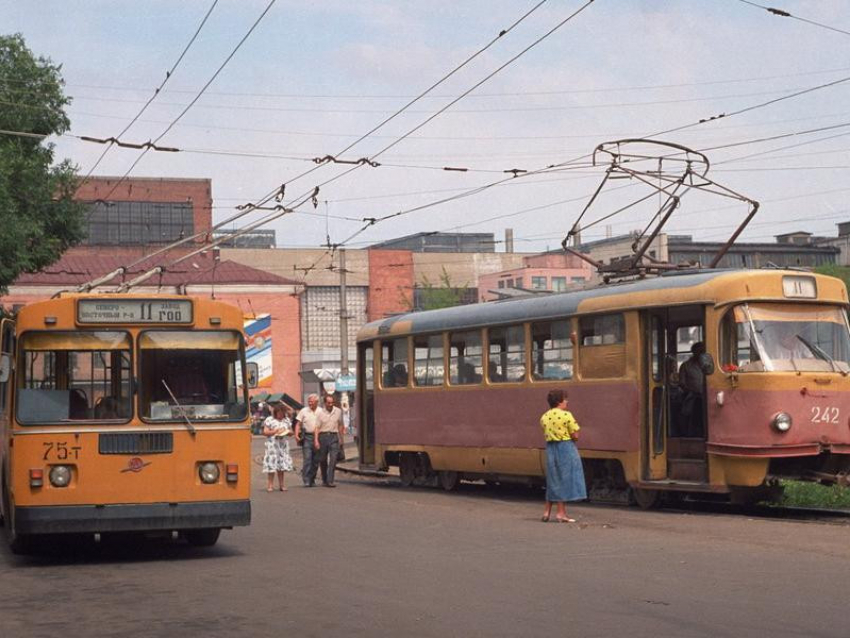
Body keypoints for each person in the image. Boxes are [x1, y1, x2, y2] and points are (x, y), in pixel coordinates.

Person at [540, 388, 586, 523]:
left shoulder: (544, 417)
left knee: (553, 479)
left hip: (551, 448)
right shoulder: (566, 415)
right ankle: (561, 513)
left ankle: (546, 512)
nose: (567, 401)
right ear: (559, 401)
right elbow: (575, 434)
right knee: (564, 479)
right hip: (565, 447)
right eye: (565, 399)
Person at [311, 394, 346, 487]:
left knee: (333, 459)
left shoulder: (338, 411)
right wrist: (316, 440)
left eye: (332, 402)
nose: (331, 404)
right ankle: (324, 479)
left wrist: (341, 438)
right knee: (323, 459)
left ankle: (330, 480)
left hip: (334, 436)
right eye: (329, 403)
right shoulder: (320, 413)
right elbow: (317, 428)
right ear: (325, 403)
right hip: (323, 436)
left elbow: (340, 425)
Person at [262, 404, 293, 492]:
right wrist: (275, 431)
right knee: (271, 465)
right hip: (272, 445)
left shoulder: (286, 420)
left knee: (281, 466)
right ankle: (270, 485)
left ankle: (282, 485)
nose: (281, 415)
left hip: (282, 445)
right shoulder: (270, 420)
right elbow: (265, 432)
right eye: (279, 413)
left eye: (282, 413)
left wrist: (287, 432)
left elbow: (291, 432)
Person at [294, 394, 321, 487]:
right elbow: (298, 424)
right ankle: (306, 479)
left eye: (312, 401)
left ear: (317, 402)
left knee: (316, 460)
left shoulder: (321, 411)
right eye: (309, 401)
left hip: (318, 438)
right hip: (307, 438)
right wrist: (296, 435)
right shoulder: (303, 411)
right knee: (307, 459)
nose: (310, 403)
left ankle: (312, 479)